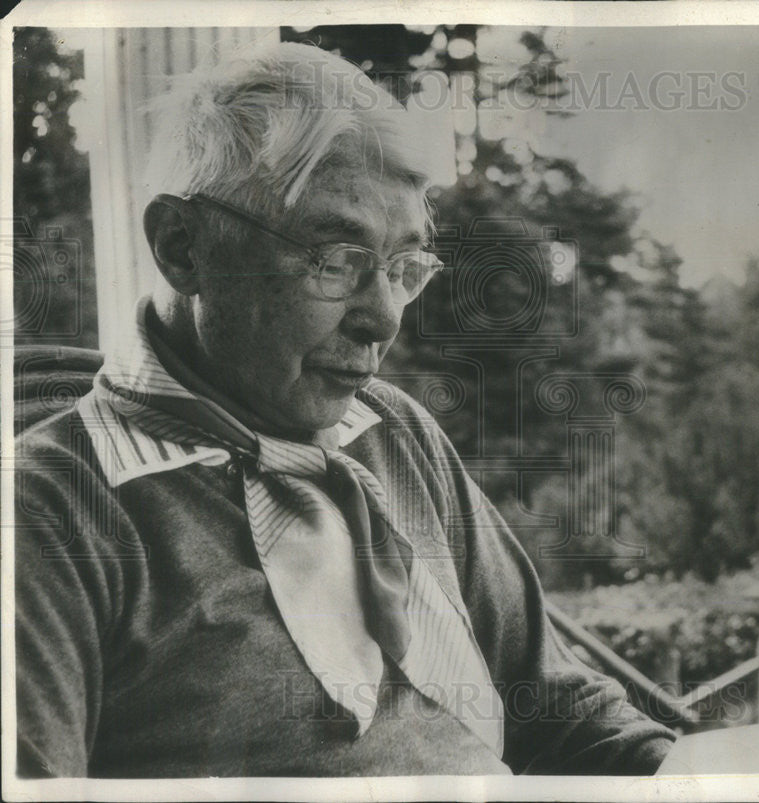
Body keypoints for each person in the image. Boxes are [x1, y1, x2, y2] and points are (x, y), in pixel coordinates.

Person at [15, 42, 675, 777]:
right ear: (182, 247)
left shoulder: (393, 432)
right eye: (336, 259)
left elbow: (562, 714)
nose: (384, 319)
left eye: (403, 267)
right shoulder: (46, 514)